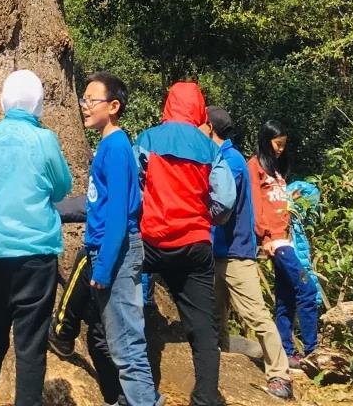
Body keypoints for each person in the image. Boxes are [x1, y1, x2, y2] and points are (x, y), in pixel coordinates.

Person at [0, 69, 73, 406]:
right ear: (38, 104)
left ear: (4, 99)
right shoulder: (45, 140)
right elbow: (62, 188)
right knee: (30, 339)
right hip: (35, 251)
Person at [135, 82, 236, 406]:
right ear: (199, 110)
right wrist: (209, 217)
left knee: (116, 290)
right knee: (204, 326)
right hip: (194, 243)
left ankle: (130, 389)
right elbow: (225, 198)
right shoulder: (210, 148)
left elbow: (135, 181)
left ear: (168, 105)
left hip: (151, 240)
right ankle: (205, 395)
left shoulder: (148, 138)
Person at [81, 72, 162, 406]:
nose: (84, 106)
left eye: (91, 100)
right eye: (83, 99)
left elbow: (117, 214)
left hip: (116, 254)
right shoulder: (109, 144)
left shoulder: (115, 147)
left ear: (113, 106)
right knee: (120, 343)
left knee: (128, 347)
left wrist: (103, 268)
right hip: (109, 251)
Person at [206, 107, 292, 401]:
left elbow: (222, 206)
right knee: (215, 314)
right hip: (215, 251)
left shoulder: (231, 161)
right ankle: (222, 361)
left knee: (256, 314)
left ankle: (279, 374)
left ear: (209, 128)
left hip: (235, 253)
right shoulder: (220, 158)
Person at [249, 122, 319, 367]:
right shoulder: (255, 165)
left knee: (286, 298)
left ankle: (287, 352)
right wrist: (264, 237)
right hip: (276, 242)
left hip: (287, 238)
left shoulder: (277, 171)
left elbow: (277, 201)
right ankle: (313, 351)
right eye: (277, 144)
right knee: (308, 291)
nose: (280, 150)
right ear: (266, 140)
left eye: (283, 145)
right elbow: (256, 205)